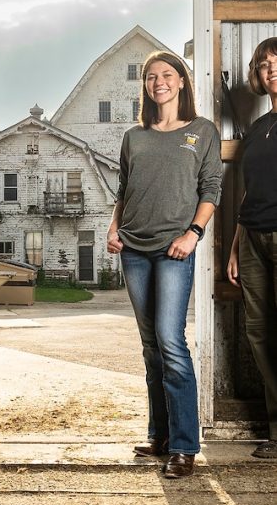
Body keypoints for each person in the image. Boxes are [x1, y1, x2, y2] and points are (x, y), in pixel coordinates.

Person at [107, 51, 222, 478]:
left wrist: (193, 233)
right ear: (146, 87)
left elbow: (211, 188)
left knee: (171, 341)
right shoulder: (134, 136)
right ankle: (159, 436)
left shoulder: (201, 131)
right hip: (133, 248)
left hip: (175, 248)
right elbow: (124, 187)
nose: (159, 81)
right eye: (152, 76)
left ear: (181, 82)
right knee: (151, 346)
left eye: (167, 75)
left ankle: (185, 446)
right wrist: (113, 227)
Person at [227, 38, 277, 459]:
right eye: (263, 63)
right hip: (254, 240)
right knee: (259, 334)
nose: (271, 68)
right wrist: (234, 247)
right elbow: (247, 193)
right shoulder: (259, 128)